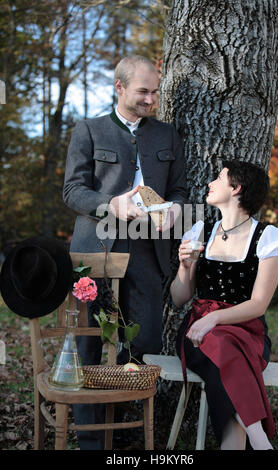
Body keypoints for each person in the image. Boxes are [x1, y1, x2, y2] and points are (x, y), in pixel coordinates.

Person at [63, 55, 187, 449]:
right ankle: (90, 443)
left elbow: (180, 188)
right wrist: (110, 204)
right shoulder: (89, 129)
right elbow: (72, 191)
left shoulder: (166, 134)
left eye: (154, 92)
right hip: (95, 251)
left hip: (148, 254)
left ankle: (121, 433)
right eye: (143, 92)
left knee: (144, 343)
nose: (151, 99)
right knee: (88, 344)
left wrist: (176, 209)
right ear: (119, 87)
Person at [171, 160, 278, 450]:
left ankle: (236, 443)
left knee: (223, 356)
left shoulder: (267, 238)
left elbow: (258, 304)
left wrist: (214, 319)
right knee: (221, 348)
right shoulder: (199, 232)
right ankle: (258, 438)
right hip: (196, 332)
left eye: (219, 177)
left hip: (246, 331)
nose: (211, 183)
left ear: (236, 188)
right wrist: (185, 267)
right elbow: (178, 297)